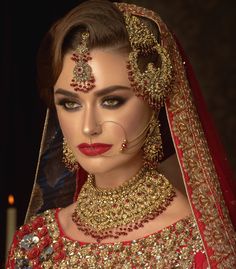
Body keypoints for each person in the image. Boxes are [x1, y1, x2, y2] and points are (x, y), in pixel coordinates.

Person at [6, 0, 236, 268]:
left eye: (111, 101)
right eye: (70, 104)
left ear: (153, 101)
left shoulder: (200, 244)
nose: (88, 127)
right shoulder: (35, 245)